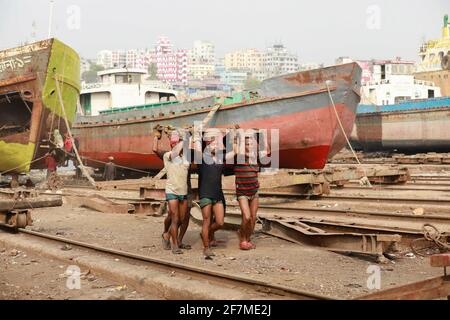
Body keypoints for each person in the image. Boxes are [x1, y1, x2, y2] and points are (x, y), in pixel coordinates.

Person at [193, 128, 236, 258]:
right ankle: (206, 247)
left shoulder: (220, 158)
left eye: (216, 143)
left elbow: (235, 151)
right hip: (205, 195)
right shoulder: (202, 158)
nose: (215, 145)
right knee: (206, 221)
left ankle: (205, 234)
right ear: (207, 145)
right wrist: (197, 134)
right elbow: (197, 145)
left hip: (217, 195)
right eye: (212, 143)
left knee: (220, 222)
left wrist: (232, 135)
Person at [154, 130, 190, 254]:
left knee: (181, 218)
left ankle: (166, 235)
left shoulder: (186, 157)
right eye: (173, 143)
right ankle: (175, 245)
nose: (175, 145)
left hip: (183, 192)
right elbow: (175, 152)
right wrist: (185, 138)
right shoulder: (168, 156)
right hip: (172, 191)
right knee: (175, 218)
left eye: (177, 143)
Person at [235, 130, 270, 250]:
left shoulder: (256, 157)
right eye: (247, 144)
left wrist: (263, 135)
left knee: (253, 218)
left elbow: (267, 151)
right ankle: (243, 239)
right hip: (242, 193)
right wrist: (242, 135)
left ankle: (247, 239)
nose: (249, 146)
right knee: (247, 216)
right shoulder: (239, 157)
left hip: (254, 192)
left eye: (251, 144)